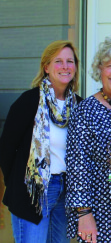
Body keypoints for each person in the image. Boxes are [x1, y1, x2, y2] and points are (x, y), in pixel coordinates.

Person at [0, 40, 82, 243]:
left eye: (70, 61)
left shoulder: (80, 106)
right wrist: (20, 185)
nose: (65, 66)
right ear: (46, 67)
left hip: (66, 192)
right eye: (58, 61)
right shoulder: (29, 101)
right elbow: (6, 149)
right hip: (34, 192)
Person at [65, 37, 111, 243]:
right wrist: (84, 214)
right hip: (100, 211)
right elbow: (77, 165)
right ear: (100, 69)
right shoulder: (85, 111)